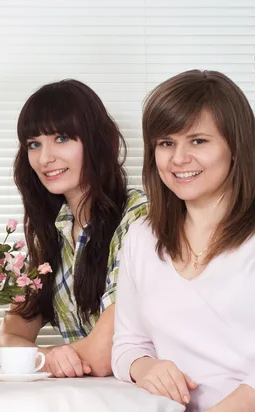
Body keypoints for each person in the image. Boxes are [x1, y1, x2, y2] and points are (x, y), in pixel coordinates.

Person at [112, 70, 255, 412]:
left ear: (236, 147)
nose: (178, 159)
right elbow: (127, 343)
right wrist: (146, 367)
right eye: (166, 143)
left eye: (198, 141)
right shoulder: (142, 237)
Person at [0, 79, 148, 377]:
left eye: (61, 138)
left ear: (95, 141)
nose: (45, 158)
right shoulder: (50, 234)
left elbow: (104, 354)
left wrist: (35, 358)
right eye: (34, 144)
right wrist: (50, 358)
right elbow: (3, 344)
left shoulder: (137, 217)